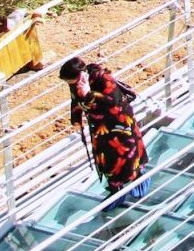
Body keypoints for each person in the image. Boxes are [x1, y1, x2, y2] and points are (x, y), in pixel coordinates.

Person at [60, 58, 147, 207]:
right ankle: (115, 190)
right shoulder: (76, 84)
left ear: (81, 74)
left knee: (128, 157)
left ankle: (138, 185)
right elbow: (75, 101)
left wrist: (89, 94)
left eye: (71, 81)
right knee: (106, 160)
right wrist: (76, 119)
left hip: (121, 128)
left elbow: (112, 103)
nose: (71, 85)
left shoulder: (103, 78)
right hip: (101, 129)